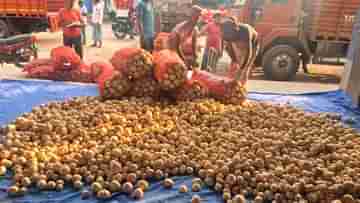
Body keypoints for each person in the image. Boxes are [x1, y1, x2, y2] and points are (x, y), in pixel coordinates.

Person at [221, 16, 259, 86]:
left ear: (235, 29)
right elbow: (227, 47)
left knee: (245, 68)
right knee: (235, 66)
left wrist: (242, 68)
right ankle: (232, 84)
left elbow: (248, 53)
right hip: (238, 42)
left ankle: (241, 87)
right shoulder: (225, 31)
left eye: (230, 33)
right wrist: (234, 60)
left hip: (252, 45)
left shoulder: (245, 31)